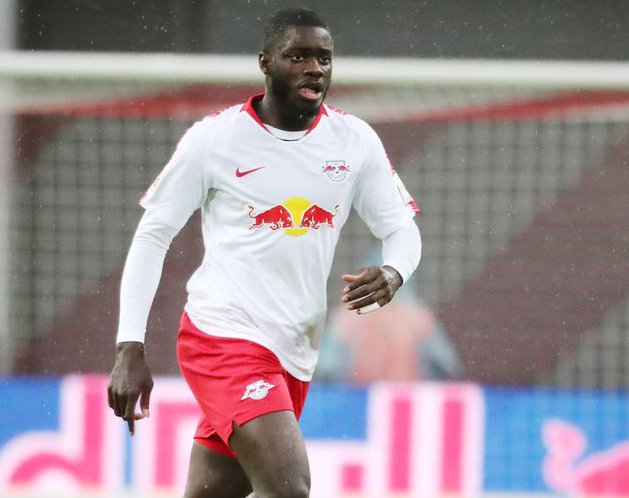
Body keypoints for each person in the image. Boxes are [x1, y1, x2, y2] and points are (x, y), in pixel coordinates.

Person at [107, 8, 421, 497]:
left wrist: (394, 272)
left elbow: (401, 228)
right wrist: (130, 346)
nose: (314, 68)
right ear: (266, 62)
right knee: (289, 487)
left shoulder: (354, 141)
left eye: (324, 58)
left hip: (294, 351)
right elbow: (153, 236)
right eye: (298, 56)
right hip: (222, 336)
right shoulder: (215, 139)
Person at [317, 256, 462, 383]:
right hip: (401, 396)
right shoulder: (417, 315)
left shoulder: (349, 314)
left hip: (361, 397)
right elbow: (447, 366)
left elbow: (326, 367)